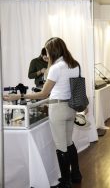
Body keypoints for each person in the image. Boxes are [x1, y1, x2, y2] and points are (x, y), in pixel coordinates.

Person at [4, 37, 82, 188]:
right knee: (69, 142)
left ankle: (65, 182)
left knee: (61, 147)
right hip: (71, 107)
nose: (46, 53)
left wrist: (20, 96)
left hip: (58, 109)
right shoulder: (74, 64)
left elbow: (44, 94)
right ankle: (76, 175)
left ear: (52, 50)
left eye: (47, 50)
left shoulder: (55, 68)